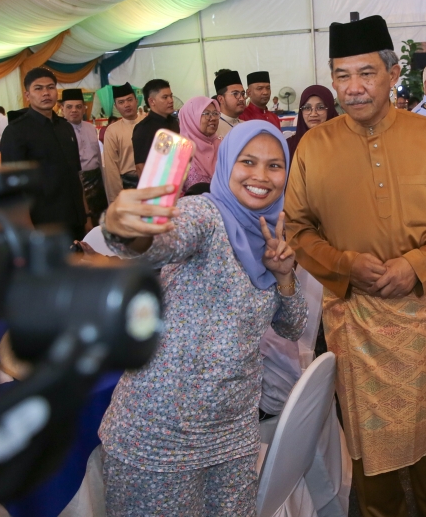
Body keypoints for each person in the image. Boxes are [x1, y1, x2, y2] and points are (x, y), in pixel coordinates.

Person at [285, 14, 426, 516]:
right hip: (355, 322)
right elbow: (297, 228)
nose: (352, 88)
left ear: (392, 75)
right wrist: (344, 264)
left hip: (419, 316)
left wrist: (417, 265)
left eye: (366, 73)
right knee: (370, 463)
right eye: (341, 75)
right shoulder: (314, 147)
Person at [98, 121, 307, 516]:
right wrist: (127, 230)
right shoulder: (207, 216)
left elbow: (291, 327)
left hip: (234, 431)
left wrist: (284, 277)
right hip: (160, 433)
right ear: (227, 164)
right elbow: (159, 242)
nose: (261, 176)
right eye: (248, 161)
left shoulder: (272, 233)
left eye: (275, 165)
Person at [0, 68, 86, 239]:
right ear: (27, 95)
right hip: (44, 224)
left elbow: (77, 175)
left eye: (50, 87)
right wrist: (27, 228)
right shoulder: (16, 131)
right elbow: (13, 188)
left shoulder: (65, 127)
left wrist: (87, 216)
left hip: (76, 219)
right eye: (38, 88)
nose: (46, 93)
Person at [62, 88, 107, 223]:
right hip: (77, 182)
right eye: (69, 107)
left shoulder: (90, 128)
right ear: (62, 108)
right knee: (83, 221)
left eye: (78, 107)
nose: (74, 110)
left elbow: (98, 156)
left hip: (97, 180)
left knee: (101, 221)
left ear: (84, 109)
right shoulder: (60, 131)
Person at [101, 83, 143, 204]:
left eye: (130, 100)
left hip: (152, 182)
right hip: (128, 185)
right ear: (116, 106)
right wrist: (117, 200)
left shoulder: (148, 123)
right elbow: (111, 169)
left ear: (136, 100)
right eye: (121, 102)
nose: (126, 105)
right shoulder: (112, 131)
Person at [132, 78, 179, 177]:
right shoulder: (143, 129)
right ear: (152, 101)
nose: (171, 100)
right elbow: (141, 166)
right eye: (165, 97)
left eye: (171, 96)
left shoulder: (174, 122)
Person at [178, 95, 221, 188]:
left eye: (215, 113)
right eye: (206, 113)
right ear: (190, 118)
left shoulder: (223, 146)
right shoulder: (178, 153)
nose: (213, 118)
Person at [286, 84, 337, 160]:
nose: (313, 114)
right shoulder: (288, 146)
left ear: (330, 110)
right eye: (307, 108)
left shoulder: (342, 144)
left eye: (320, 107)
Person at [214, 69, 246, 139]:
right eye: (235, 94)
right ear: (221, 99)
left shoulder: (246, 125)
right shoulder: (213, 127)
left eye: (243, 94)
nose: (242, 99)